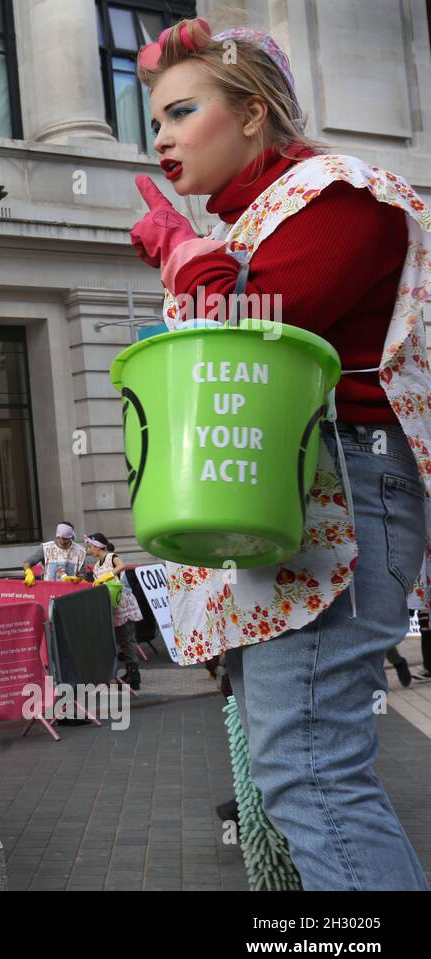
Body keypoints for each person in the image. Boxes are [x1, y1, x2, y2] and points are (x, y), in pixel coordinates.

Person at [132, 18, 431, 889]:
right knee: (295, 767)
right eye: (155, 118)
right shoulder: (269, 214)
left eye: (183, 111)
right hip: (303, 496)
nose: (162, 138)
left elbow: (252, 337)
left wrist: (187, 255)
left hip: (340, 485)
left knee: (311, 770)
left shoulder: (342, 191)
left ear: (255, 112)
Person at [84, 534, 145, 690]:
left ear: (98, 546)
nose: (89, 550)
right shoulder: (97, 565)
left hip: (124, 605)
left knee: (128, 639)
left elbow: (121, 566)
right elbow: (97, 582)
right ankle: (129, 672)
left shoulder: (112, 557)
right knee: (122, 641)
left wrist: (108, 575)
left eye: (90, 547)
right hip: (112, 606)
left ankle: (134, 675)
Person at [22, 523, 88, 584]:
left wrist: (78, 579)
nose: (62, 541)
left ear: (71, 537)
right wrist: (28, 572)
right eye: (59, 538)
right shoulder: (46, 548)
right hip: (50, 590)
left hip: (71, 590)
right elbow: (27, 563)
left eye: (65, 539)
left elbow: (82, 574)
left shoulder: (80, 551)